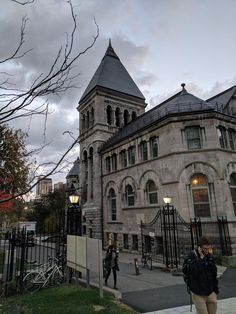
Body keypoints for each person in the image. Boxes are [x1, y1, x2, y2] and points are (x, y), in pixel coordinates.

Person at [182, 236, 219, 314]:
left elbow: (214, 272)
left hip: (210, 291)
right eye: (205, 248)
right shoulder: (192, 256)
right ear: (199, 247)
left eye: (208, 248)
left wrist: (215, 290)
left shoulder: (209, 256)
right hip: (198, 292)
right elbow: (190, 271)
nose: (207, 250)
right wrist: (201, 258)